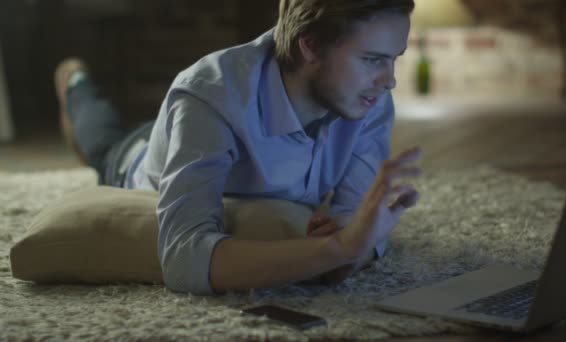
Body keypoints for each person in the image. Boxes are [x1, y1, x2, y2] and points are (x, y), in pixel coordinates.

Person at [53, 0, 421, 296]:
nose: (389, 80)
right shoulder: (211, 95)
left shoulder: (367, 99)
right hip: (137, 157)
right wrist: (339, 249)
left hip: (199, 133)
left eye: (394, 58)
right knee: (102, 139)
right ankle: (75, 81)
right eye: (373, 59)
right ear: (309, 45)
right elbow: (183, 261)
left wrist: (359, 237)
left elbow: (354, 224)